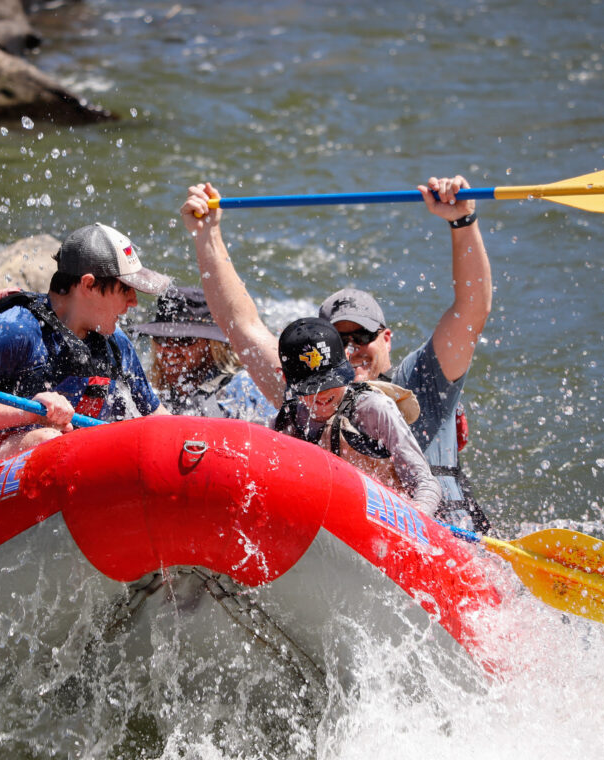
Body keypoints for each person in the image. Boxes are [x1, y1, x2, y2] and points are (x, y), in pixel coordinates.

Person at [179, 176, 494, 531]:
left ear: (387, 338)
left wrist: (462, 221)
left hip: (446, 535)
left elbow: (471, 310)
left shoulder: (422, 379)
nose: (351, 350)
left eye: (362, 336)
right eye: (339, 340)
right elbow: (241, 325)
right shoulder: (308, 389)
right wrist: (207, 234)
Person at [0, 223, 173, 472]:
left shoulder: (116, 343)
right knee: (49, 441)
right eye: (125, 289)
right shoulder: (16, 329)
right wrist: (29, 413)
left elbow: (157, 419)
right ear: (88, 285)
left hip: (59, 470)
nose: (134, 302)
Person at [276, 317, 441, 515]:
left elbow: (426, 483)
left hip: (389, 518)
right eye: (309, 386)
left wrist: (417, 516)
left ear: (347, 358)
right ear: (285, 378)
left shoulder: (373, 409)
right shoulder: (288, 421)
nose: (322, 394)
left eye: (330, 381)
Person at [130, 285, 274, 423]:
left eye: (184, 340)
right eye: (160, 338)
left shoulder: (243, 388)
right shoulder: (151, 393)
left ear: (214, 346)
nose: (170, 349)